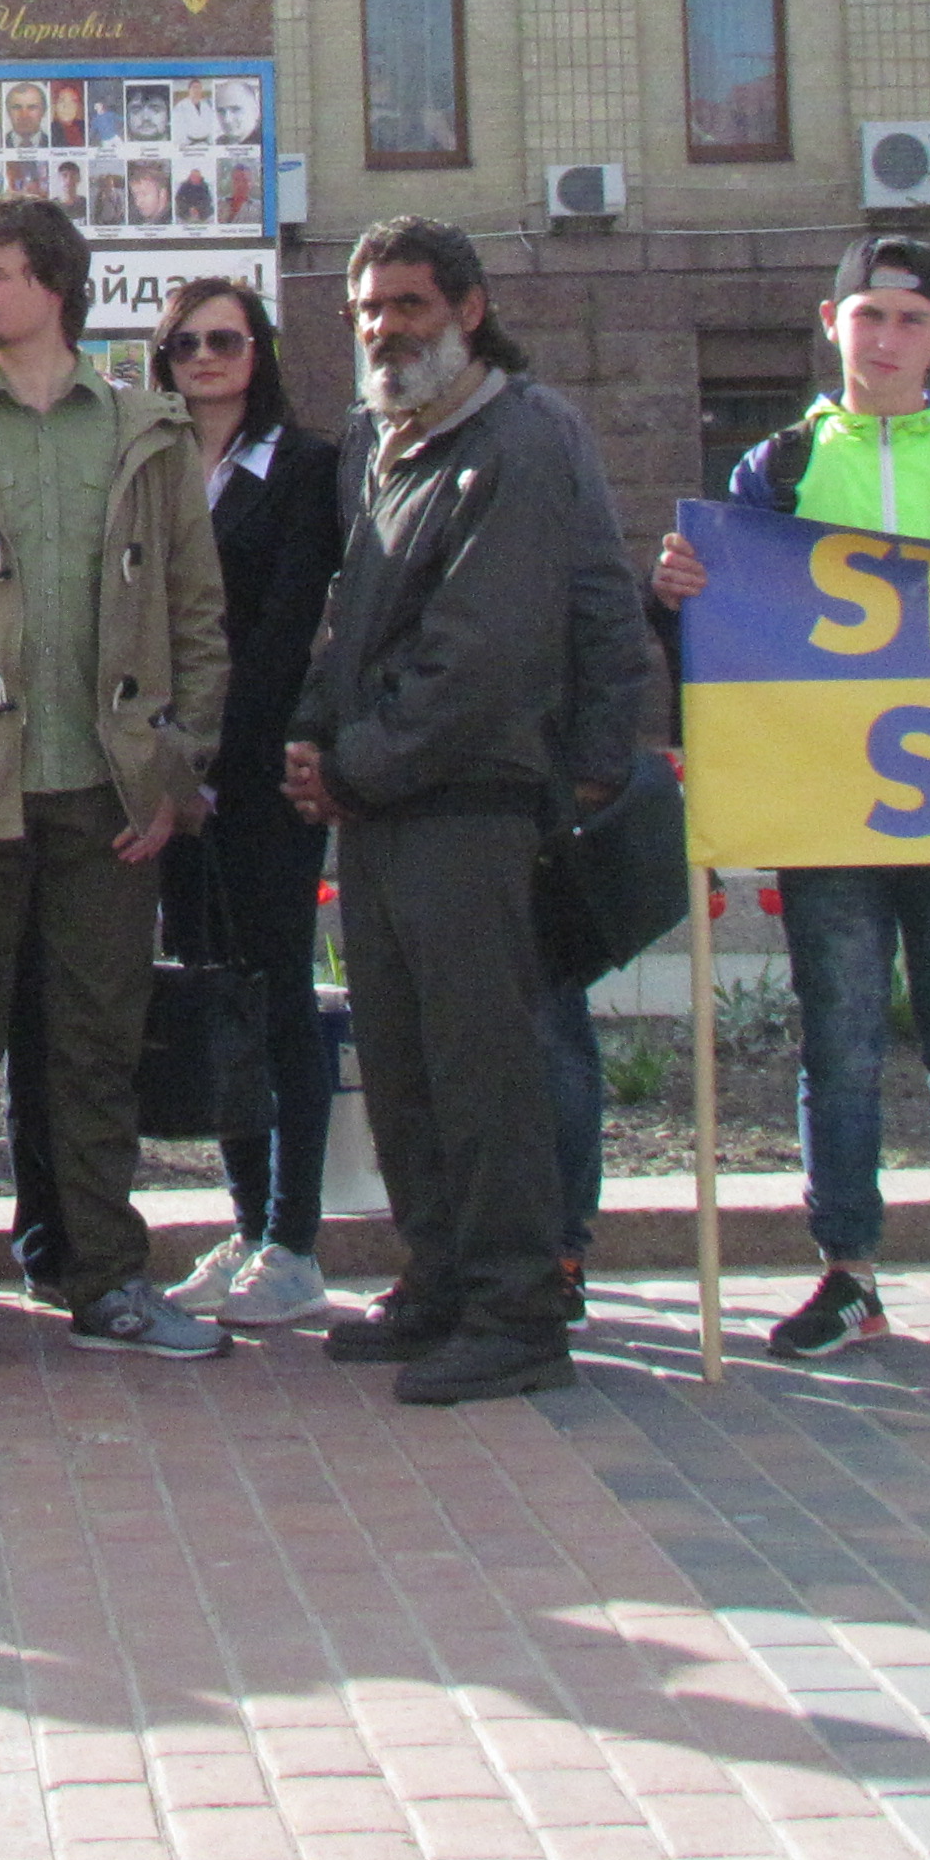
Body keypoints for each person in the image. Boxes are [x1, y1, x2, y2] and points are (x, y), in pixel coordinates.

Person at [653, 234, 930, 1362]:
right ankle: (848, 1272)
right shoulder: (774, 470)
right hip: (825, 805)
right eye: (866, 315)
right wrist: (674, 598)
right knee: (838, 1044)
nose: (885, 338)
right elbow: (726, 644)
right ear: (832, 326)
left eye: (909, 320)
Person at [0, 193, 232, 1377]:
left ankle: (108, 1278)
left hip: (106, 801)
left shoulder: (146, 431)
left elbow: (197, 620)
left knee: (97, 1050)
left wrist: (172, 778)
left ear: (55, 287)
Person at [286, 224, 647, 1404]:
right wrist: (314, 738)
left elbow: (479, 655)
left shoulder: (517, 443)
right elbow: (352, 616)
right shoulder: (386, 440)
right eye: (368, 308)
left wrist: (353, 767)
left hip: (474, 809)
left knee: (484, 1070)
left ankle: (515, 1311)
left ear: (470, 309)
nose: (385, 328)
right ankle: (439, 1281)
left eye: (409, 304)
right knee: (403, 1066)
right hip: (388, 812)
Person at [143, 276, 347, 1334]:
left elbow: (286, 628)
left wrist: (223, 748)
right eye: (186, 344)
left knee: (278, 997)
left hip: (261, 779)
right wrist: (171, 761)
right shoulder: (150, 467)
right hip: (176, 784)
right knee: (214, 995)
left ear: (259, 351)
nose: (206, 359)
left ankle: (295, 1241)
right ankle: (247, 1221)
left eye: (225, 340)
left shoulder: (306, 468)